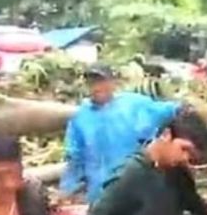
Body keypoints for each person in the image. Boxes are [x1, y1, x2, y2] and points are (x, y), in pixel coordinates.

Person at [76, 108, 207, 215]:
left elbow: (199, 208)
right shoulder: (131, 175)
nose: (185, 158)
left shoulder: (178, 175)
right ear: (166, 135)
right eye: (183, 149)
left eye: (191, 154)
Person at [60, 64, 180, 204]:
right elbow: (75, 156)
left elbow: (169, 111)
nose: (96, 87)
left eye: (101, 81)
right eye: (92, 83)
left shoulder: (133, 104)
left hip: (134, 187)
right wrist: (67, 189)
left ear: (112, 82)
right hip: (99, 193)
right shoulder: (81, 117)